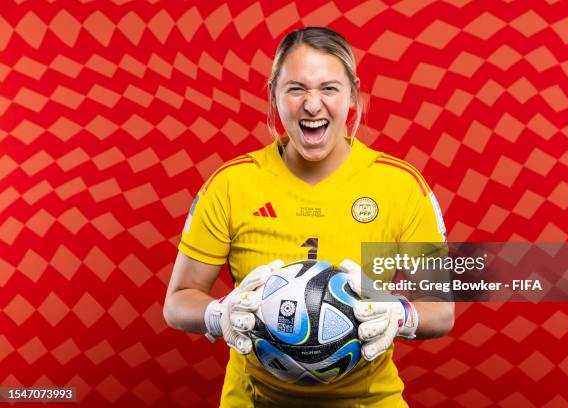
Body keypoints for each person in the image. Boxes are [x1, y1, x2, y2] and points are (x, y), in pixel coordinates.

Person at [163, 27, 454, 408]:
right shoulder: (231, 184)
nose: (312, 105)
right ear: (274, 94)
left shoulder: (399, 185)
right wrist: (219, 314)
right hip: (253, 400)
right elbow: (178, 301)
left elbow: (441, 311)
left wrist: (399, 314)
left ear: (352, 93)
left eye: (329, 88)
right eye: (296, 88)